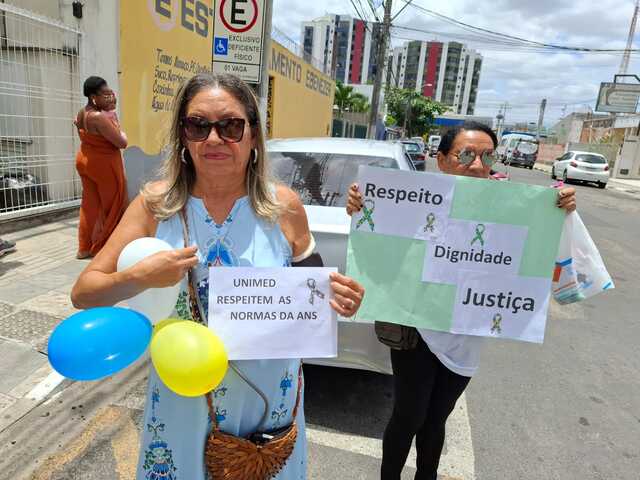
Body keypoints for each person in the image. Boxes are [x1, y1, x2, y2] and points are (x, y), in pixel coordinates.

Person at [71, 73, 365, 479]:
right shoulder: (155, 206)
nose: (213, 139)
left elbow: (315, 300)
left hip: (268, 402)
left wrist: (342, 300)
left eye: (230, 126)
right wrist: (140, 275)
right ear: (182, 136)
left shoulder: (284, 206)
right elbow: (84, 292)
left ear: (252, 135)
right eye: (198, 125)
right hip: (185, 399)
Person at [346, 121, 576, 480]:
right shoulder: (413, 197)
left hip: (464, 333)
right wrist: (360, 207)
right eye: (465, 154)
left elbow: (534, 243)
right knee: (409, 416)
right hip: (415, 326)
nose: (477, 164)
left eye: (487, 155)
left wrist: (559, 208)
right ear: (441, 159)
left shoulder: (508, 202)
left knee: (437, 418)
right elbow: (380, 241)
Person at [74, 76, 128, 259]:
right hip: (104, 166)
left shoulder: (82, 113)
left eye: (110, 93)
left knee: (90, 205)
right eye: (105, 94)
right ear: (93, 97)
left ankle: (84, 248)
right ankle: (107, 246)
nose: (110, 97)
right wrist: (117, 124)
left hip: (85, 160)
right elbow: (121, 142)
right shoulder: (99, 118)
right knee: (114, 205)